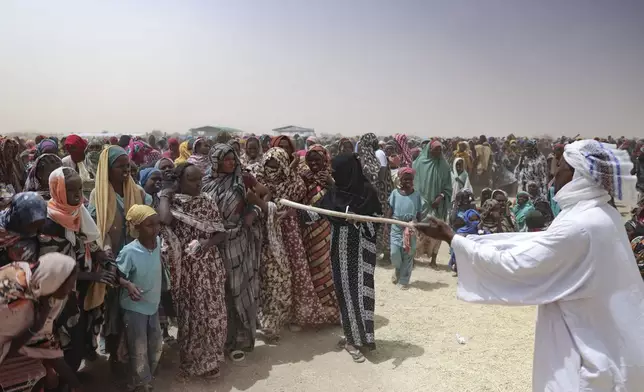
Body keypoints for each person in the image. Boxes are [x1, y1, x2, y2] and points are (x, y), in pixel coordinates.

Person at [416, 139, 644, 391]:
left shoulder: (580, 225)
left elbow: (518, 264)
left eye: (562, 167)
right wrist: (471, 241)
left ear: (579, 175)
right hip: (610, 341)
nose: (554, 172)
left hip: (587, 352)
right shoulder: (602, 214)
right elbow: (536, 242)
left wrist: (451, 238)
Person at [38, 167, 115, 370]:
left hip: (79, 288)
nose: (79, 196)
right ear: (58, 191)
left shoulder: (76, 211)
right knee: (65, 336)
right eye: (72, 191)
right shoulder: (49, 222)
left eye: (80, 189)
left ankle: (72, 374)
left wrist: (99, 253)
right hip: (60, 294)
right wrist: (93, 275)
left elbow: (87, 241)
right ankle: (66, 379)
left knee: (80, 332)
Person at [157, 162, 227, 379]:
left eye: (200, 179)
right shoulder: (172, 203)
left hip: (208, 267)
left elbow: (221, 232)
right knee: (192, 315)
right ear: (180, 181)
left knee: (213, 313)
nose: (198, 184)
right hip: (186, 269)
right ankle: (192, 359)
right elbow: (164, 220)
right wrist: (165, 196)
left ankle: (211, 360)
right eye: (192, 179)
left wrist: (206, 244)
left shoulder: (207, 202)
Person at [255, 148, 333, 326]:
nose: (271, 171)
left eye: (276, 166)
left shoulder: (296, 182)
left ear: (283, 165)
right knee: (269, 274)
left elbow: (294, 203)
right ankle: (269, 317)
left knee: (297, 270)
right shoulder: (258, 180)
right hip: (265, 232)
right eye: (268, 166)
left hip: (290, 232)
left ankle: (300, 313)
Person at [201, 143, 264, 361]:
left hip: (238, 240)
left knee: (239, 289)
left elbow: (265, 196)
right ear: (215, 161)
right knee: (220, 292)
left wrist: (254, 211)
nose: (231, 162)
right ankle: (222, 339)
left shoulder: (243, 179)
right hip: (213, 243)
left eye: (233, 158)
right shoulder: (205, 182)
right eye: (225, 159)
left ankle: (241, 339)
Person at [319, 152, 381, 362]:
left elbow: (376, 223)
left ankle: (361, 338)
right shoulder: (335, 193)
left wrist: (359, 221)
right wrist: (288, 211)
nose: (335, 177)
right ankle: (351, 337)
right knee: (344, 293)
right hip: (340, 251)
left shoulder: (367, 193)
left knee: (360, 294)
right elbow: (316, 211)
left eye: (338, 173)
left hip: (361, 253)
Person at [88, 145, 144, 369]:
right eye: (119, 166)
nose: (125, 169)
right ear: (107, 169)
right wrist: (106, 251)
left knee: (133, 304)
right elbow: (95, 227)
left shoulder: (137, 191)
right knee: (113, 306)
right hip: (111, 257)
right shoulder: (97, 194)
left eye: (127, 165)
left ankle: (132, 350)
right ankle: (114, 352)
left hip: (135, 255)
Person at [0, 253, 82, 392]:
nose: (70, 290)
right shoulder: (9, 289)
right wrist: (36, 326)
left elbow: (42, 341)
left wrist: (74, 383)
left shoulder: (46, 296)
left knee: (43, 376)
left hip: (9, 348)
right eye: (68, 285)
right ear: (54, 280)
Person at [117, 205, 163, 392]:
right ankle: (140, 383)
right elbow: (115, 276)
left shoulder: (158, 242)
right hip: (135, 309)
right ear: (136, 228)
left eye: (157, 224)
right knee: (139, 348)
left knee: (155, 343)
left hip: (153, 306)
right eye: (149, 225)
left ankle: (144, 376)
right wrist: (127, 284)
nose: (155, 229)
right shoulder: (129, 252)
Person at [299, 145, 340, 321]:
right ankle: (314, 312)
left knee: (328, 269)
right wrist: (301, 181)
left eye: (318, 160)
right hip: (308, 231)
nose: (314, 163)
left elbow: (343, 201)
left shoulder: (334, 177)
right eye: (311, 160)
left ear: (325, 159)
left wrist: (331, 184)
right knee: (311, 268)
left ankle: (332, 312)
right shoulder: (303, 178)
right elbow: (296, 200)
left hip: (328, 231)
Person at [413, 140, 452, 267]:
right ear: (429, 150)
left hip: (438, 204)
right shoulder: (418, 163)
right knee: (419, 229)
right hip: (422, 203)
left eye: (440, 150)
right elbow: (414, 184)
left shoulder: (444, 166)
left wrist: (441, 196)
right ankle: (413, 257)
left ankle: (433, 259)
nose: (438, 152)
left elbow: (448, 186)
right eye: (435, 149)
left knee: (437, 230)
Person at [357, 133, 394, 264]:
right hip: (378, 194)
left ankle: (387, 253)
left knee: (383, 222)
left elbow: (381, 175)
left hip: (382, 195)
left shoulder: (379, 154)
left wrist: (375, 186)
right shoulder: (374, 154)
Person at [388, 167, 424, 289]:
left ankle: (404, 280)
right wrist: (386, 226)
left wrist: (419, 227)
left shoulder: (417, 195)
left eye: (410, 179)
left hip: (411, 228)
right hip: (396, 228)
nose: (408, 181)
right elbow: (389, 211)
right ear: (400, 179)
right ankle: (397, 269)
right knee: (394, 253)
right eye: (405, 178)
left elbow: (419, 213)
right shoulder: (394, 194)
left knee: (408, 255)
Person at [0, 192, 48, 267]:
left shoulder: (33, 224)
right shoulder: (3, 229)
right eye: (32, 225)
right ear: (18, 219)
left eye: (39, 225)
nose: (35, 230)